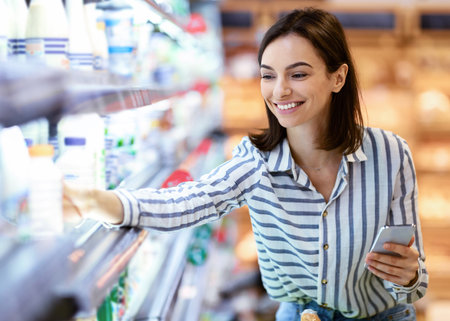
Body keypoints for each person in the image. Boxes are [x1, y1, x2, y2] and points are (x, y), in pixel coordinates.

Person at [63, 7, 427, 321]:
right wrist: (95, 201)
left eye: (297, 74)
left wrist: (408, 275)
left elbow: (415, 283)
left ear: (338, 77)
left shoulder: (390, 154)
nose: (279, 91)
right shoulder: (257, 164)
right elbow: (185, 201)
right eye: (268, 75)